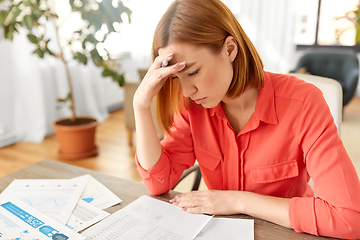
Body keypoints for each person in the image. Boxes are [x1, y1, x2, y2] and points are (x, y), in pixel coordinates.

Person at [133, 0, 360, 239]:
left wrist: (238, 201)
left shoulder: (304, 103)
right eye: (176, 79)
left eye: (192, 72)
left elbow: (349, 218)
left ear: (230, 49)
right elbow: (158, 183)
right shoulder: (192, 106)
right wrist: (140, 105)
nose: (187, 90)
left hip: (286, 232)